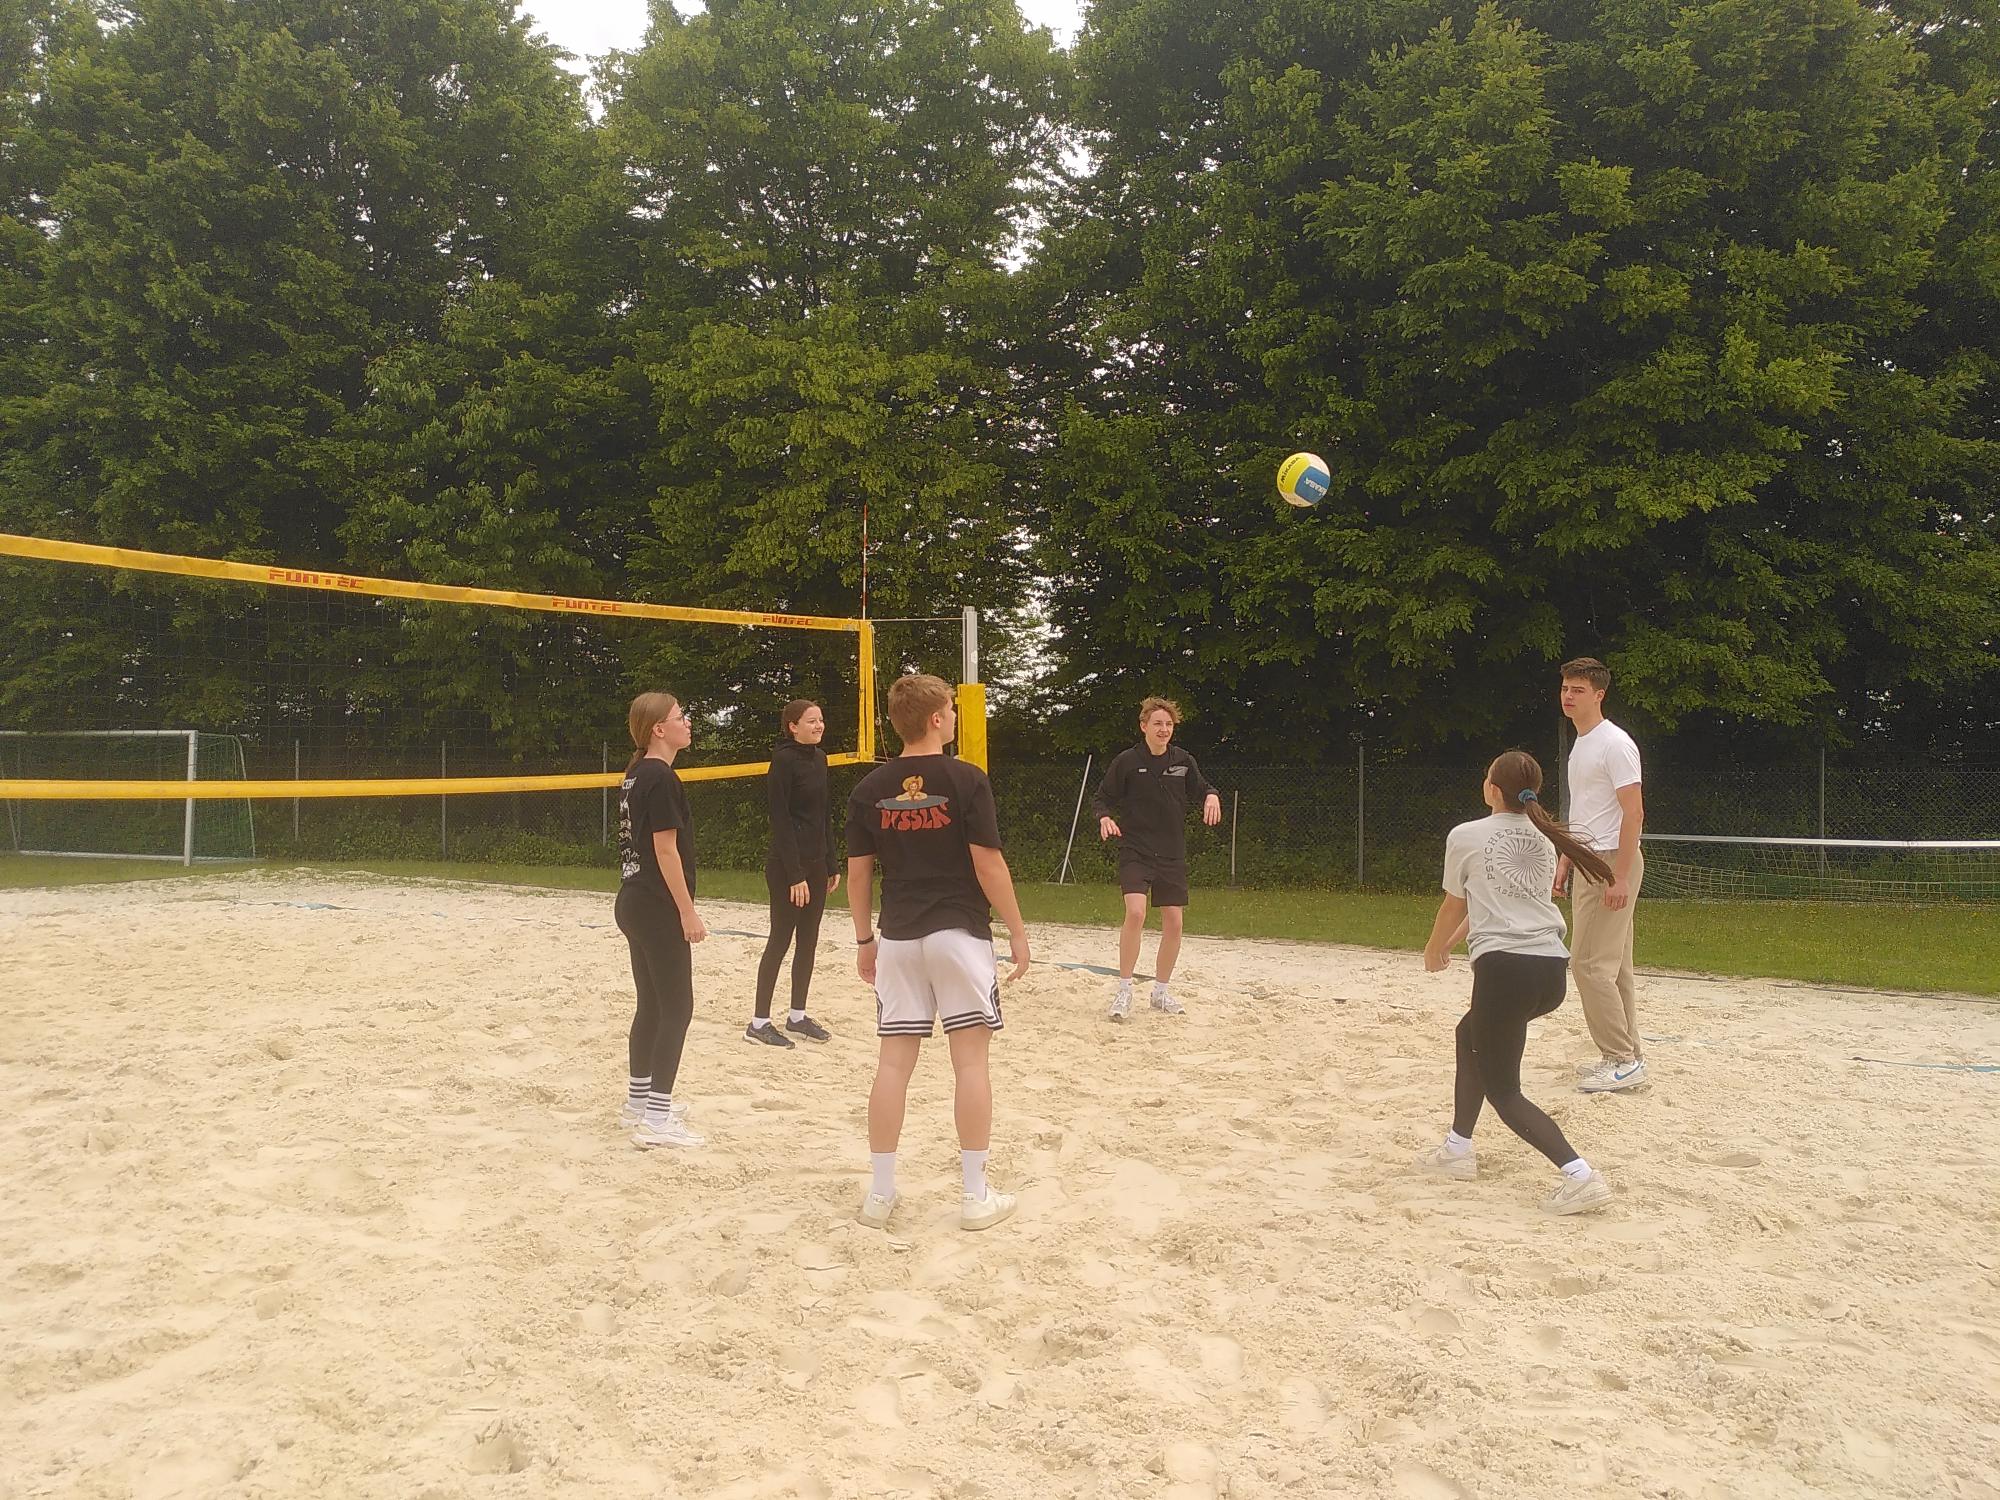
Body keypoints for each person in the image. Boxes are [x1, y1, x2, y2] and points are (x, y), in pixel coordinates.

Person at [847, 673, 1030, 1233]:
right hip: (959, 931)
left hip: (899, 936)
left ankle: (880, 1194)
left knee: (892, 1065)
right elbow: (988, 864)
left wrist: (864, 940)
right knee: (969, 1063)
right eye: (950, 709)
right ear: (934, 718)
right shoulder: (966, 778)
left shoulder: (869, 787)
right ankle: (975, 1196)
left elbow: (858, 874)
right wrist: (1017, 931)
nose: (954, 716)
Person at [1420, 751, 1616, 1215]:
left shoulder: (1466, 835)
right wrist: (1452, 943)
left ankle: (1579, 1175)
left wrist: (1433, 947)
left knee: (1505, 1091)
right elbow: (1495, 900)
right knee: (1470, 1034)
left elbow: (1454, 903)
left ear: (1491, 789)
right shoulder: (1543, 838)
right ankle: (1457, 1147)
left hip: (1505, 972)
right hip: (1548, 971)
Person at [615, 692, 708, 1149]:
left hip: (633, 898)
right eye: (680, 716)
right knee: (677, 1008)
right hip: (656, 904)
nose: (687, 722)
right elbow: (665, 849)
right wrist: (687, 910)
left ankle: (639, 1103)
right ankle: (656, 1116)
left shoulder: (636, 774)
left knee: (651, 1005)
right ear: (658, 729)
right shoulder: (661, 776)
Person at [1090, 696, 1222, 1020]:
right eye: (1158, 723)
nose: (1164, 729)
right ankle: (1124, 990)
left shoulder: (1183, 760)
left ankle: (1160, 992)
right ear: (1144, 726)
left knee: (1174, 922)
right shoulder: (1127, 761)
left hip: (1171, 853)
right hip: (1135, 849)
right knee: (1135, 913)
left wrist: (1211, 796)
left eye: (1168, 724)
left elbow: (1204, 787)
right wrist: (1104, 818)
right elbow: (1101, 798)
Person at [1556, 657, 1649, 1093]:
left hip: (1611, 862)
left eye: (1578, 690)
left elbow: (1634, 813)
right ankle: (1629, 1054)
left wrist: (1620, 876)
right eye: (1565, 688)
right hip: (1591, 859)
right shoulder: (1582, 743)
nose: (1568, 696)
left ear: (1599, 694)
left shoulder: (1615, 743)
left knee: (1588, 964)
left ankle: (1621, 1060)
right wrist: (1568, 855)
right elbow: (1587, 810)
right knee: (1615, 968)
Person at [747, 698, 840, 1049]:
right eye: (811, 721)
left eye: (821, 720)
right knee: (780, 940)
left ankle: (797, 1016)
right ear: (793, 726)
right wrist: (795, 874)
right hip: (787, 867)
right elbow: (781, 819)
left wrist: (831, 862)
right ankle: (759, 1022)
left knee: (808, 940)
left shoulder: (820, 759)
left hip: (816, 864)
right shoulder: (783, 760)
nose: (819, 726)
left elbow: (823, 814)